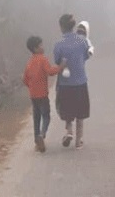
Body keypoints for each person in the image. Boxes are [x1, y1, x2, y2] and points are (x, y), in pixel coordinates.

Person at [54, 14, 91, 149]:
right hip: (80, 82)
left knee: (67, 110)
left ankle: (69, 131)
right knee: (80, 112)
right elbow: (86, 56)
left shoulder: (59, 45)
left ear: (61, 27)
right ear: (73, 25)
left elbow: (58, 61)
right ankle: (78, 141)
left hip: (65, 83)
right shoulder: (82, 41)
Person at [22, 36, 66, 153]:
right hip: (42, 95)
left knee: (36, 118)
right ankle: (42, 134)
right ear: (36, 48)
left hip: (33, 95)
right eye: (41, 45)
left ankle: (37, 142)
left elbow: (25, 79)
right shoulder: (42, 59)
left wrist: (31, 87)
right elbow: (50, 72)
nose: (43, 47)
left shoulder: (30, 62)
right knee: (46, 116)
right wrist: (60, 67)